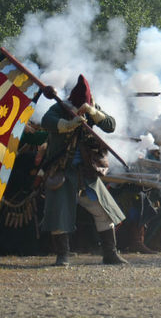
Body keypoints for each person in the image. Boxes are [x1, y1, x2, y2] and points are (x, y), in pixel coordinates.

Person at [40, 74, 128, 266]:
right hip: (62, 170)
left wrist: (93, 112)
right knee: (60, 216)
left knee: (104, 212)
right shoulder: (59, 108)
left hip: (87, 172)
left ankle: (110, 254)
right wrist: (68, 125)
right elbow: (46, 121)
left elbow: (110, 126)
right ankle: (62, 256)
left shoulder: (91, 108)